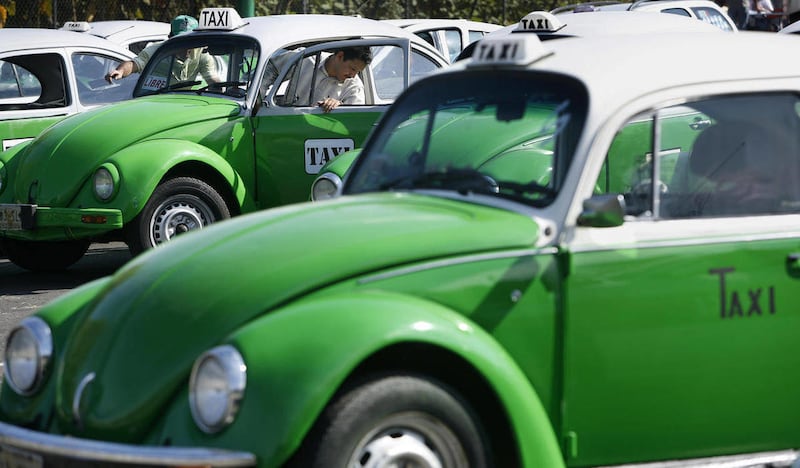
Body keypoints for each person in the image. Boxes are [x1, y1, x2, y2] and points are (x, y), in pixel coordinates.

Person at [105, 15, 216, 84]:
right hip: (156, 101)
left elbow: (212, 79)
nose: (186, 47)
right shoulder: (156, 51)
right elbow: (134, 64)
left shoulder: (202, 55)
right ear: (170, 39)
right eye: (180, 41)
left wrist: (222, 88)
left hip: (185, 103)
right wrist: (120, 71)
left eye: (190, 41)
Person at [267, 46, 372, 113]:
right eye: (352, 69)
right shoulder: (305, 58)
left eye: (357, 72)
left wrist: (339, 107)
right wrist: (260, 96)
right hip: (286, 124)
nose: (353, 75)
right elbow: (270, 69)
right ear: (340, 56)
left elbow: (353, 118)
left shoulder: (355, 86)